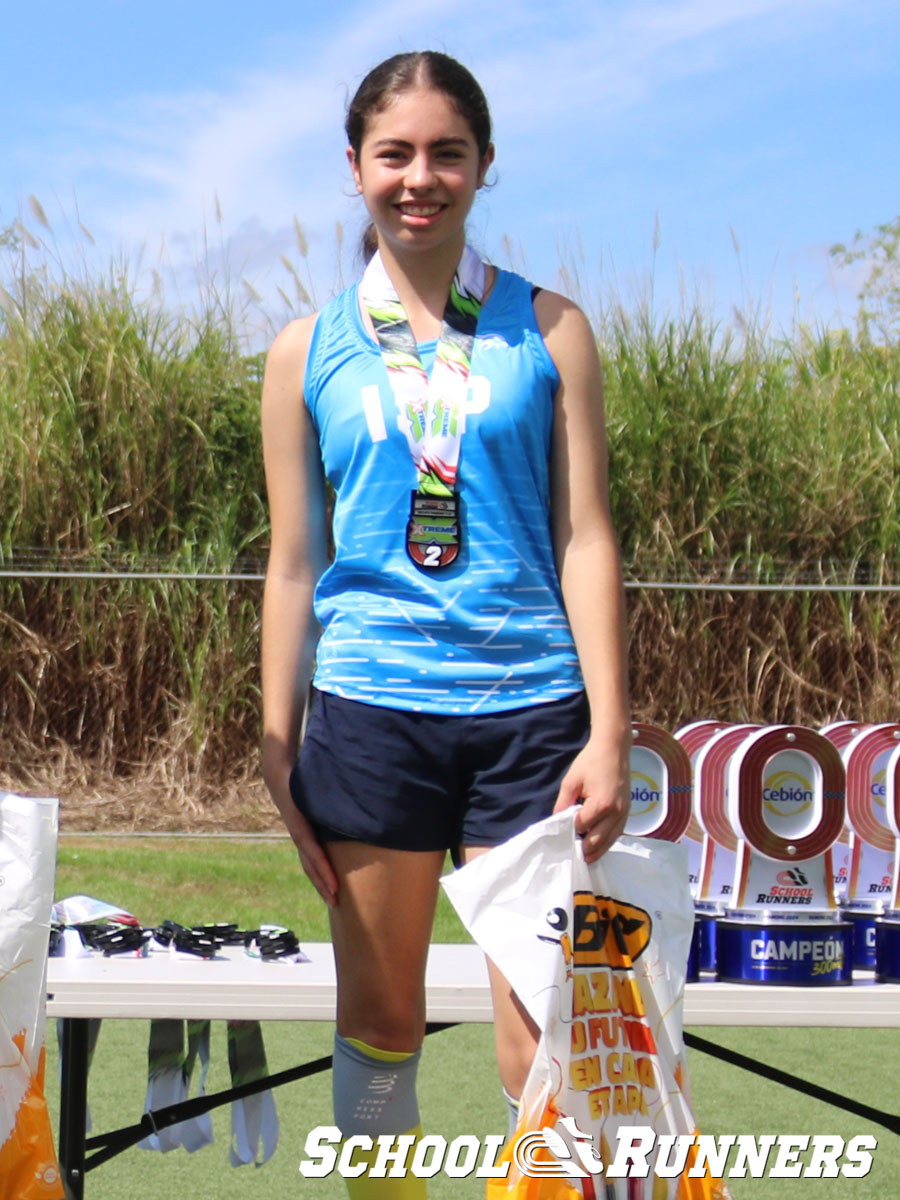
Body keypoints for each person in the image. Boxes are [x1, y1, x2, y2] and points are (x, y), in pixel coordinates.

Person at [260, 50, 631, 1196]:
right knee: (380, 1020)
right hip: (372, 715)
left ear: (482, 166)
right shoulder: (302, 350)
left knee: (546, 1035)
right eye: (396, 154)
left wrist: (610, 731)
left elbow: (587, 537)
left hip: (535, 723)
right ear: (356, 170)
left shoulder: (550, 326)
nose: (420, 178)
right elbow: (293, 564)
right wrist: (278, 743)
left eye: (447, 153)